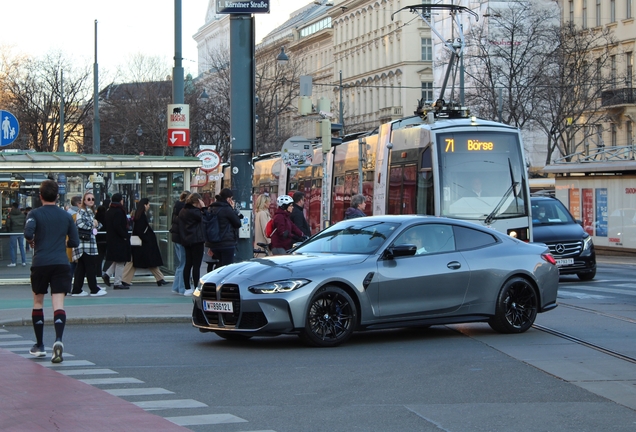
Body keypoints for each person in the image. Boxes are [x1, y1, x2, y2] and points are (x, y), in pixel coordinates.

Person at [24, 179, 79, 363]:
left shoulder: (35, 213)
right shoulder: (65, 216)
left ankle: (39, 345)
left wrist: (33, 242)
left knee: (38, 301)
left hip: (40, 262)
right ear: (57, 196)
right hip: (61, 263)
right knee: (59, 304)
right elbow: (75, 242)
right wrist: (63, 243)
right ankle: (58, 340)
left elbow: (28, 233)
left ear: (40, 196)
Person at [122, 198, 168, 286]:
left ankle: (125, 280)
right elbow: (140, 230)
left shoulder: (138, 215)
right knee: (148, 261)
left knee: (133, 262)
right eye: (148, 204)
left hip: (139, 243)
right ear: (145, 205)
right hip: (143, 243)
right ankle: (160, 279)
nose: (149, 206)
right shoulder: (142, 216)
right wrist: (146, 238)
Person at [70, 192, 107, 297]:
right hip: (84, 245)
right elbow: (81, 224)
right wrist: (93, 225)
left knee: (81, 268)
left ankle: (77, 289)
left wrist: (95, 225)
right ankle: (94, 289)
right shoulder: (81, 212)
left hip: (87, 244)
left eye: (92, 199)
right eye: (88, 199)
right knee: (90, 267)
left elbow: (98, 225)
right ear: (84, 201)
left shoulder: (89, 212)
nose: (91, 201)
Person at [178, 192, 207, 296]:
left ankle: (187, 288)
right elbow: (206, 218)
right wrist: (203, 208)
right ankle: (196, 287)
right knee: (196, 266)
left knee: (188, 264)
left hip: (186, 240)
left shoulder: (183, 211)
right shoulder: (196, 212)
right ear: (197, 202)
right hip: (197, 240)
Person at [206, 188, 242, 268]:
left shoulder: (211, 208)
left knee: (220, 265)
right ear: (228, 199)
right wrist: (233, 209)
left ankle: (215, 279)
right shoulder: (227, 209)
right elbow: (237, 223)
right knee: (227, 267)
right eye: (231, 199)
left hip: (214, 243)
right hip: (226, 243)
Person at [104, 193, 131, 290]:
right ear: (120, 200)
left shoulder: (109, 211)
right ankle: (117, 282)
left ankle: (107, 274)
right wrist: (125, 235)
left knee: (117, 260)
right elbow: (118, 226)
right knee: (120, 261)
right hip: (119, 239)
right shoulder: (119, 211)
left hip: (111, 238)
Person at [169, 190, 189, 295]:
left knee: (180, 264)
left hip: (176, 238)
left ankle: (176, 287)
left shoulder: (176, 208)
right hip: (182, 239)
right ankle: (182, 288)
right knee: (184, 263)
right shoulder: (184, 210)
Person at [6, 202, 27, 267]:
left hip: (13, 232)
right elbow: (25, 223)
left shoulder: (10, 215)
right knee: (22, 247)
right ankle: (24, 262)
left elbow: (8, 224)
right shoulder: (22, 215)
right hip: (21, 232)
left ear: (12, 207)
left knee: (12, 247)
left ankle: (13, 262)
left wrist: (9, 231)